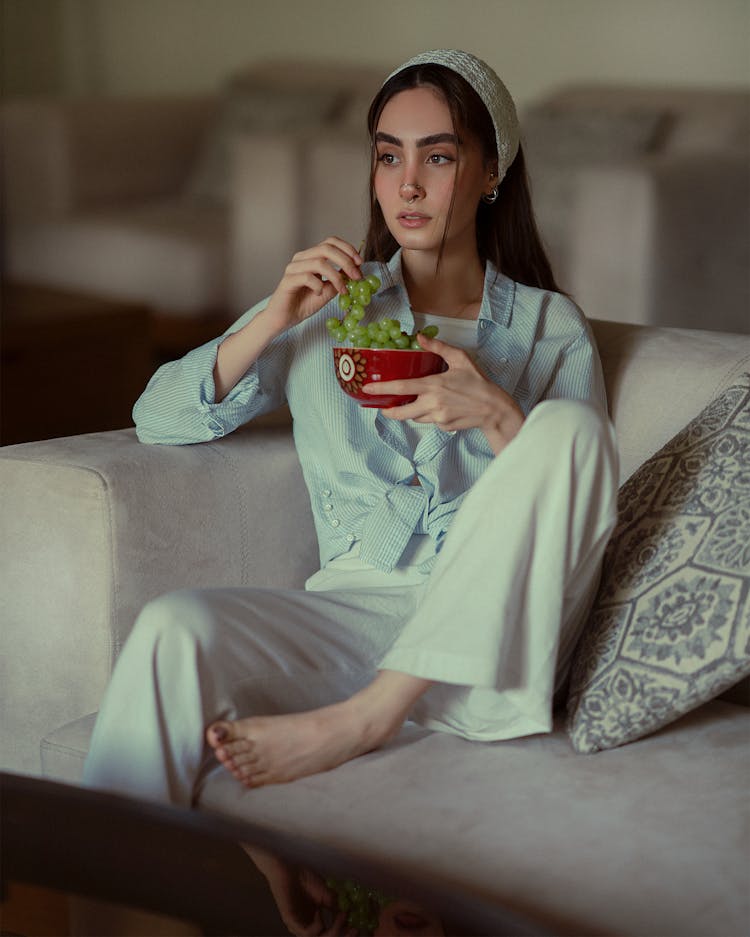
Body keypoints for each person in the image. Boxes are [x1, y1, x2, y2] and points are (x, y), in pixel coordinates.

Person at [83, 49, 619, 805]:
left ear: (493, 172)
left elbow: (582, 504)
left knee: (570, 429)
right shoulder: (336, 305)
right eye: (388, 157)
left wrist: (500, 416)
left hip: (497, 648)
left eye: (438, 156)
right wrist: (275, 315)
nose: (408, 184)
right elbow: (157, 419)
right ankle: (109, 903)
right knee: (176, 625)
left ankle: (367, 720)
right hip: (358, 616)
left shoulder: (549, 325)